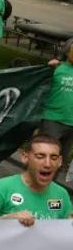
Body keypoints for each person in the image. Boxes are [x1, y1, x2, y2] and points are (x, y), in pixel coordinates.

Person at [39, 43, 73, 187]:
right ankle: (31, 188)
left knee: (59, 161)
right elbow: (39, 84)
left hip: (71, 123)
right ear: (68, 52)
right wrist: (48, 67)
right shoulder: (57, 68)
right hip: (52, 119)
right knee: (43, 157)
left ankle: (47, 190)